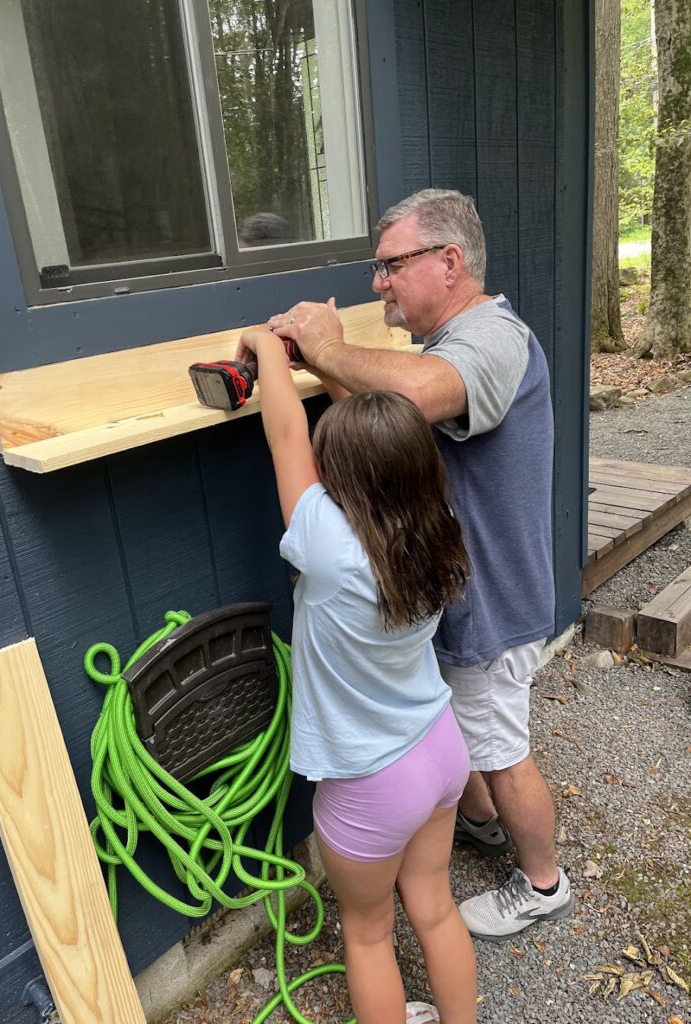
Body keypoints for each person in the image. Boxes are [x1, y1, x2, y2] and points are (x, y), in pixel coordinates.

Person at [263, 188, 575, 942]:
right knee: (467, 728)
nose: (379, 283)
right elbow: (388, 430)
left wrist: (323, 344)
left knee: (502, 749)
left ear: (449, 262)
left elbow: (423, 393)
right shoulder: (448, 344)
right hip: (455, 589)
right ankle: (480, 824)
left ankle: (543, 882)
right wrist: (335, 371)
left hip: (493, 604)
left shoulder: (492, 339)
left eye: (390, 265)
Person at [236, 324, 476, 1024]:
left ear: (338, 476)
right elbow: (380, 449)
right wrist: (334, 367)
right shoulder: (438, 523)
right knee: (433, 909)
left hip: (373, 782)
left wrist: (268, 346)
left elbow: (286, 435)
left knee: (368, 934)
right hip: (439, 747)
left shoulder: (327, 544)